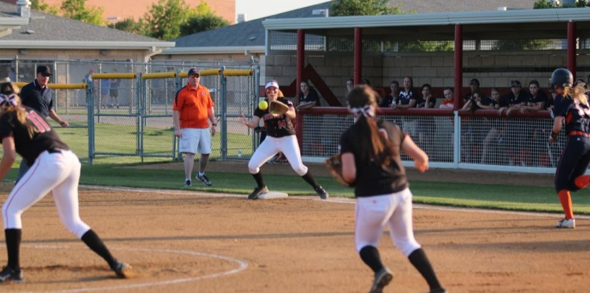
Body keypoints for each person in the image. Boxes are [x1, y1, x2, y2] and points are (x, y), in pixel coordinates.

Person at [0, 82, 132, 283]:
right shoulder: (29, 111)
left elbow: (9, 156)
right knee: (72, 221)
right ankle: (115, 263)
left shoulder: (6, 117)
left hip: (51, 161)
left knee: (10, 209)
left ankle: (14, 270)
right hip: (69, 160)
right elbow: (36, 145)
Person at [339, 85, 447, 293]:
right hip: (401, 193)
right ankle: (437, 288)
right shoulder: (391, 127)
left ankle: (380, 270)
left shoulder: (350, 136)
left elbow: (350, 175)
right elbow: (422, 157)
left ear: (350, 109)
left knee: (364, 243)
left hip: (372, 196)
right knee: (407, 242)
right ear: (374, 105)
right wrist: (420, 164)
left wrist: (344, 173)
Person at [237, 81, 328, 200]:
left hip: (287, 138)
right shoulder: (262, 106)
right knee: (252, 165)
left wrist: (282, 110)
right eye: (269, 90)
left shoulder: (285, 102)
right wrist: (247, 123)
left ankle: (318, 188)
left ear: (277, 90)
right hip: (271, 140)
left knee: (298, 167)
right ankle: (261, 187)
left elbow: (293, 114)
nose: (271, 92)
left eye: (274, 89)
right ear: (266, 92)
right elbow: (254, 123)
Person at [548, 68, 590, 229]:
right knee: (572, 184)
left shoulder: (562, 97)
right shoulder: (583, 98)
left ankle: (569, 219)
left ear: (556, 83)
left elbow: (558, 125)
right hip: (588, 141)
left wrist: (553, 136)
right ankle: (568, 218)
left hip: (576, 140)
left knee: (560, 182)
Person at [16, 65, 69, 183]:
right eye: (43, 75)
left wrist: (60, 121)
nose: (45, 78)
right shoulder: (28, 89)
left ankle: (39, 180)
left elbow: (49, 110)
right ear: (37, 75)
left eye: (47, 76)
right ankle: (21, 181)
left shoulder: (48, 91)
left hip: (43, 127)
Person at [173, 68, 217, 187]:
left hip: (204, 127)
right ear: (188, 78)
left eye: (197, 76)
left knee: (206, 152)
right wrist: (177, 128)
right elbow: (176, 111)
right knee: (190, 153)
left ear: (200, 78)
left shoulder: (205, 91)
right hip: (188, 127)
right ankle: (188, 179)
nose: (195, 78)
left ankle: (201, 174)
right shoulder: (182, 92)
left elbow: (209, 108)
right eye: (192, 76)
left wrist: (213, 123)